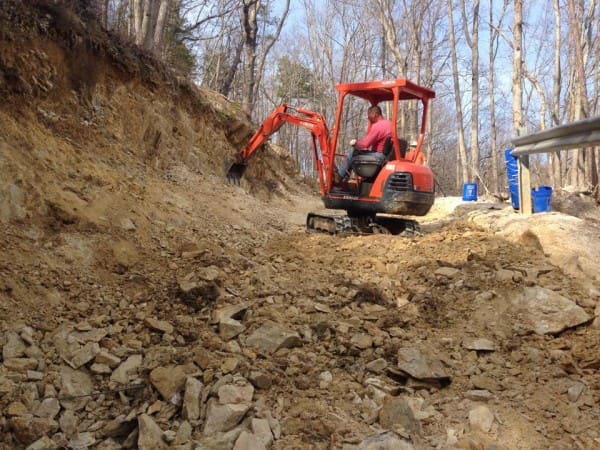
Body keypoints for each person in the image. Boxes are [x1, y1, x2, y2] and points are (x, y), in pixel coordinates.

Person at [337, 105, 392, 181]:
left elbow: (365, 144)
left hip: (378, 155)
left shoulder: (378, 126)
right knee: (356, 154)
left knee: (352, 155)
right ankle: (345, 179)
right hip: (385, 155)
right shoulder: (389, 124)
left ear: (375, 114)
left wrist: (355, 142)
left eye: (369, 115)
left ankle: (338, 178)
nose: (368, 117)